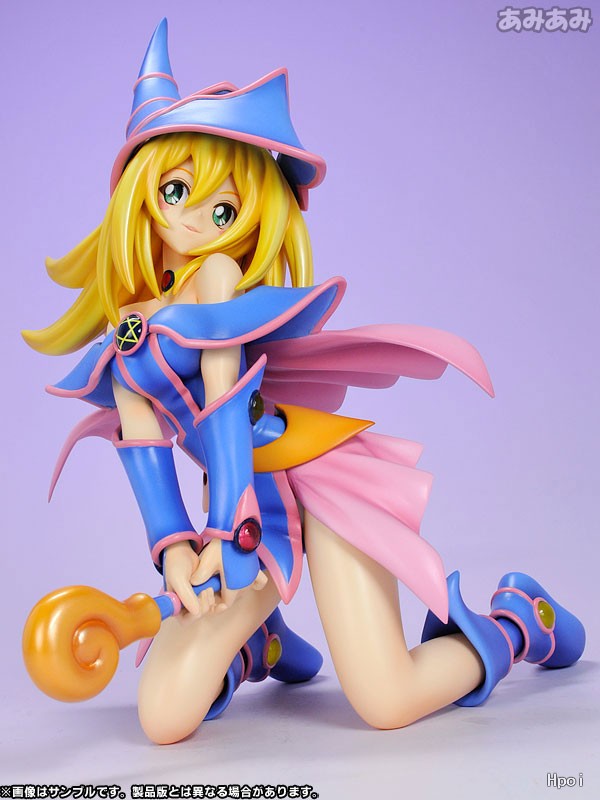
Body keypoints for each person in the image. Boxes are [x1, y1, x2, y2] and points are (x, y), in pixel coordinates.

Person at [23, 19, 585, 745]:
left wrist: (225, 533)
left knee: (386, 697)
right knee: (162, 719)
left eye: (224, 208)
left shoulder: (216, 277)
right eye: (176, 190)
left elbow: (224, 406)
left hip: (313, 475)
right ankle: (258, 645)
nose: (197, 220)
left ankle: (516, 622)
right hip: (244, 498)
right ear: (140, 194)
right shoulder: (128, 328)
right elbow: (143, 442)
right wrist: (175, 551)